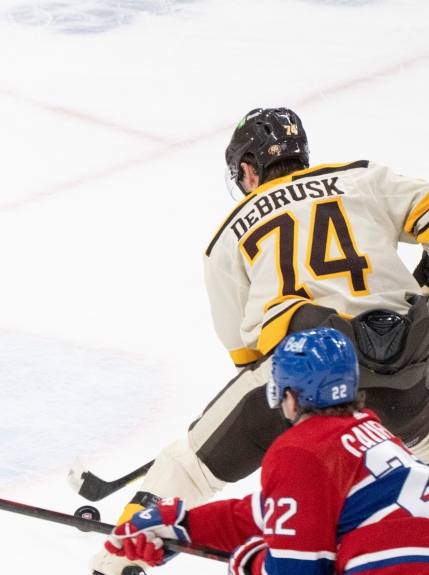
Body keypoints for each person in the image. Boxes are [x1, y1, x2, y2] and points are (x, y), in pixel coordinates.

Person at [92, 107, 429, 575]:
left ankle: (117, 557)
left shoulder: (229, 235)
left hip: (306, 369)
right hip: (415, 373)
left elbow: (246, 354)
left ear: (248, 169)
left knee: (188, 465)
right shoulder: (363, 179)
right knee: (410, 478)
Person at [104, 327, 429, 575]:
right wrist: (183, 524)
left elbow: (296, 570)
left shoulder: (301, 449)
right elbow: (279, 514)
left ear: (289, 396)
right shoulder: (368, 431)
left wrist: (249, 561)